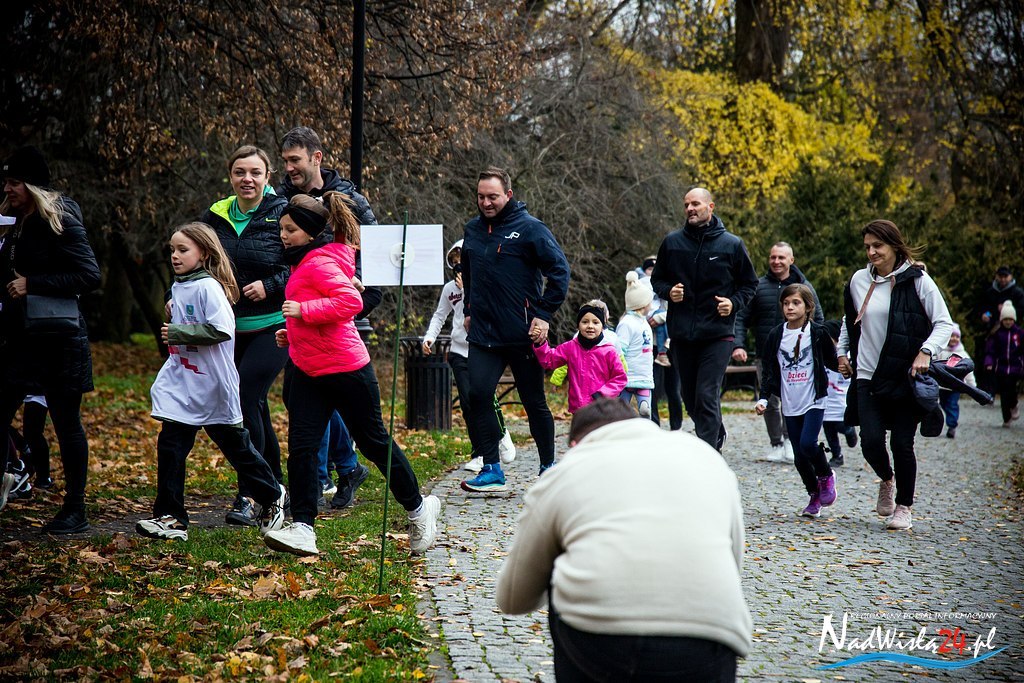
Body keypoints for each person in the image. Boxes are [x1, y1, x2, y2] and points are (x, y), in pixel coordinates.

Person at [496, 398, 752, 681]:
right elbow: (734, 561)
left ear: (576, 445)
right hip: (709, 639)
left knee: (559, 573)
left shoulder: (567, 471)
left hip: (600, 640)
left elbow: (513, 599)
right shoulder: (705, 457)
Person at [265, 193, 440, 556]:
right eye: (281, 228)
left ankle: (419, 509)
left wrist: (303, 311)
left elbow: (350, 302)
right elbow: (320, 312)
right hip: (309, 369)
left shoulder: (318, 263)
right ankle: (303, 527)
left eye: (290, 229)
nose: (283, 235)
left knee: (374, 443)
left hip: (346, 369)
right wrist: (293, 331)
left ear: (310, 233)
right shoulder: (304, 262)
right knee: (302, 448)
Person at [138, 223, 287, 542]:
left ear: (204, 253)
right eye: (172, 250)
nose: (175, 256)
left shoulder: (208, 287)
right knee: (171, 446)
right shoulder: (180, 285)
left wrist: (177, 332)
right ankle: (170, 517)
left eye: (183, 250)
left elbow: (221, 329)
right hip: (183, 383)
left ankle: (272, 495)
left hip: (214, 384)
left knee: (236, 448)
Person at [277, 126, 382, 504]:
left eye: (295, 160)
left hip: (342, 313)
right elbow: (279, 255)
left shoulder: (350, 199)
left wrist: (357, 296)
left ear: (316, 158)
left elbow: (376, 253)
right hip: (298, 312)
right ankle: (343, 468)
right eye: (285, 161)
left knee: (348, 416)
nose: (289, 167)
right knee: (304, 400)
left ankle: (325, 477)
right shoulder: (280, 200)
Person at [0, 146, 101, 533]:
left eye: (14, 182)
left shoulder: (60, 218)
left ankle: (75, 508)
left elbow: (89, 275)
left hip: (60, 340)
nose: (7, 188)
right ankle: (14, 474)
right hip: (21, 340)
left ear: (32, 185)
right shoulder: (17, 221)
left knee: (66, 424)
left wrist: (34, 284)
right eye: (6, 181)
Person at [838, 219, 953, 531]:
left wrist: (926, 351)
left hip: (905, 374)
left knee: (902, 443)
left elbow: (944, 323)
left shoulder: (918, 280)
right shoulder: (859, 280)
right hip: (867, 374)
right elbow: (850, 320)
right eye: (867, 247)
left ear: (894, 245)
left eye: (878, 246)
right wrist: (841, 352)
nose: (872, 252)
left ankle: (904, 506)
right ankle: (886, 479)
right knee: (870, 441)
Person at [460, 167, 570, 491]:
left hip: (523, 333)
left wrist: (543, 314)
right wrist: (468, 310)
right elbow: (468, 273)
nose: (486, 203)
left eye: (492, 197)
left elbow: (560, 271)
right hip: (484, 333)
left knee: (533, 401)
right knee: (478, 395)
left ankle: (548, 467)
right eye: (481, 197)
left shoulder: (531, 229)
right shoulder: (472, 230)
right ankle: (492, 469)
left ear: (508, 194)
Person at [200, 145, 289, 527]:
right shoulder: (216, 215)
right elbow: (196, 259)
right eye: (240, 172)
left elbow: (302, 261)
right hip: (230, 330)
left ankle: (250, 494)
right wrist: (175, 295)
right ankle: (275, 485)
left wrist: (270, 285)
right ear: (230, 176)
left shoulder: (282, 212)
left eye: (255, 172)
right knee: (255, 407)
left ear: (267, 177)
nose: (247, 179)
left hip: (274, 326)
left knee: (245, 397)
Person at [650, 187, 758, 451]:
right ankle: (715, 430)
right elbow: (657, 280)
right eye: (687, 204)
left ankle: (709, 455)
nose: (690, 209)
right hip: (682, 335)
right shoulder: (672, 242)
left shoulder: (731, 244)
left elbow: (749, 284)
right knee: (689, 398)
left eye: (696, 204)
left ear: (711, 207)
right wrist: (669, 292)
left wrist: (733, 303)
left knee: (706, 394)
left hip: (717, 334)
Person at [422, 239, 515, 473]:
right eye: (455, 263)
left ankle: (501, 433)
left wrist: (469, 290)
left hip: (482, 348)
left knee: (484, 397)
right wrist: (430, 337)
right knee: (468, 402)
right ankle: (479, 453)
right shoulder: (449, 289)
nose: (459, 267)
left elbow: (487, 309)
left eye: (462, 260)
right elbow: (440, 315)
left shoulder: (487, 282)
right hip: (458, 351)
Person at [733, 242, 824, 462]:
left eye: (781, 257)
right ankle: (776, 443)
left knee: (793, 400)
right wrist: (738, 345)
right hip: (766, 354)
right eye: (773, 257)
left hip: (798, 356)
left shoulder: (803, 287)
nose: (776, 261)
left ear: (791, 260)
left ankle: (791, 441)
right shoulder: (758, 286)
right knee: (770, 402)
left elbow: (818, 319)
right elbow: (741, 318)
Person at [756, 285, 838, 517]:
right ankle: (814, 495)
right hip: (790, 402)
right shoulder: (776, 335)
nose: (790, 307)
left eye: (796, 303)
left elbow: (832, 361)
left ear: (808, 307)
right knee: (800, 457)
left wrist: (847, 367)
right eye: (786, 303)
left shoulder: (818, 332)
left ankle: (826, 475)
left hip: (814, 399)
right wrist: (764, 398)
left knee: (808, 444)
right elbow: (769, 370)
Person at [532, 303, 628, 419]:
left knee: (598, 431)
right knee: (581, 431)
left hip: (601, 407)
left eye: (595, 322)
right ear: (578, 325)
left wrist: (602, 394)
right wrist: (540, 343)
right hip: (578, 408)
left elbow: (620, 378)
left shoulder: (609, 351)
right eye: (585, 322)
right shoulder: (570, 347)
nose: (590, 326)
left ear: (602, 326)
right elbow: (549, 360)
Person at [639, 256, 684, 430]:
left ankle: (676, 427)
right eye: (650, 268)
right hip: (650, 344)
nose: (653, 271)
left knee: (674, 389)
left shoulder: (673, 284)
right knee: (652, 387)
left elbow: (681, 310)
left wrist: (661, 317)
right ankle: (654, 426)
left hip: (671, 343)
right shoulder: (642, 286)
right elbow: (636, 309)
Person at [616, 271, 655, 417]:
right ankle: (635, 414)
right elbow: (619, 351)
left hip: (640, 376)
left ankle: (638, 414)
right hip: (631, 376)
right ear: (643, 304)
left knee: (637, 410)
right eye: (650, 302)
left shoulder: (641, 322)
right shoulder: (627, 323)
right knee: (625, 411)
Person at [820, 320, 857, 465]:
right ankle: (837, 455)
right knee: (829, 431)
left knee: (841, 425)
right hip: (825, 401)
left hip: (842, 400)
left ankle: (849, 432)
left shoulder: (847, 356)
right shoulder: (821, 355)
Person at [984, 301, 1022, 428]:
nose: (1008, 322)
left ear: (1014, 320)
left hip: (1016, 367)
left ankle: (1014, 405)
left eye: (1010, 319)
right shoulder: (997, 334)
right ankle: (1006, 417)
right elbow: (990, 351)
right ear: (1002, 320)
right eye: (1005, 319)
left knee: (1012, 390)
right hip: (1000, 368)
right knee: (1004, 394)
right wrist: (989, 362)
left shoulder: (1019, 333)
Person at [936, 323, 976, 438]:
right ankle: (950, 419)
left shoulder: (962, 354)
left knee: (952, 404)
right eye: (952, 336)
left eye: (957, 336)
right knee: (943, 404)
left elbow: (968, 370)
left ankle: (952, 426)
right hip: (942, 386)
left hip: (955, 386)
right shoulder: (940, 352)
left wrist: (972, 385)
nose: (954, 338)